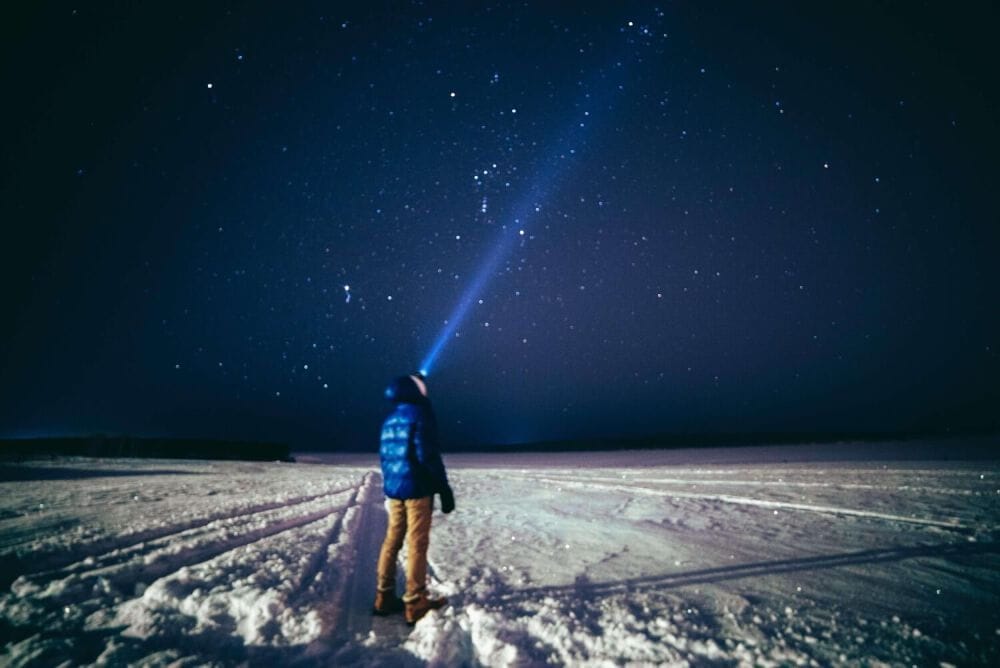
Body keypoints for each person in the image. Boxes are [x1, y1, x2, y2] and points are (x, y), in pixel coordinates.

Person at [373, 372, 455, 624]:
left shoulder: (389, 420)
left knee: (393, 540)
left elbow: (386, 459)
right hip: (418, 489)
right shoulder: (419, 415)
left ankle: (383, 596)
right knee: (417, 543)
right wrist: (443, 487)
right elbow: (427, 455)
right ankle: (415, 600)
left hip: (395, 491)